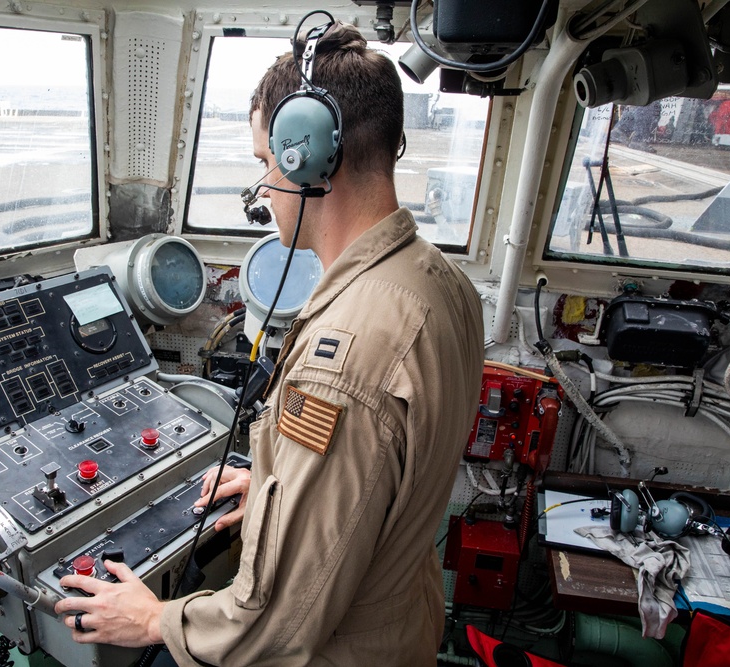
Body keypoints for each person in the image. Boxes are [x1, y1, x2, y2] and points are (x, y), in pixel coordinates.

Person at [54, 22, 485, 666]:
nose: (265, 184)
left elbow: (281, 619)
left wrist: (154, 618)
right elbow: (385, 481)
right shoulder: (439, 281)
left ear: (305, 159)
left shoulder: (350, 350)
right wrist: (277, 482)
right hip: (401, 626)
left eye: (265, 161)